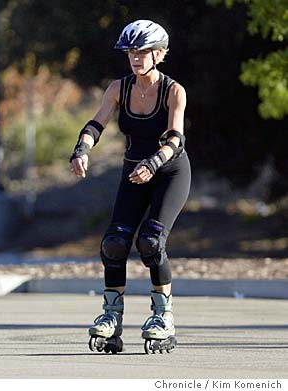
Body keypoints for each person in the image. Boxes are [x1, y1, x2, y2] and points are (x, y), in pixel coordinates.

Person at [69, 20, 191, 354]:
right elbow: (96, 123)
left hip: (169, 173)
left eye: (142, 52)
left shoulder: (173, 90)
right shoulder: (118, 88)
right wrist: (81, 150)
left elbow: (175, 139)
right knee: (114, 243)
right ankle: (112, 316)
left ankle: (163, 316)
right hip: (133, 171)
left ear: (159, 53)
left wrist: (153, 163)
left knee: (150, 242)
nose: (135, 58)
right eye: (131, 52)